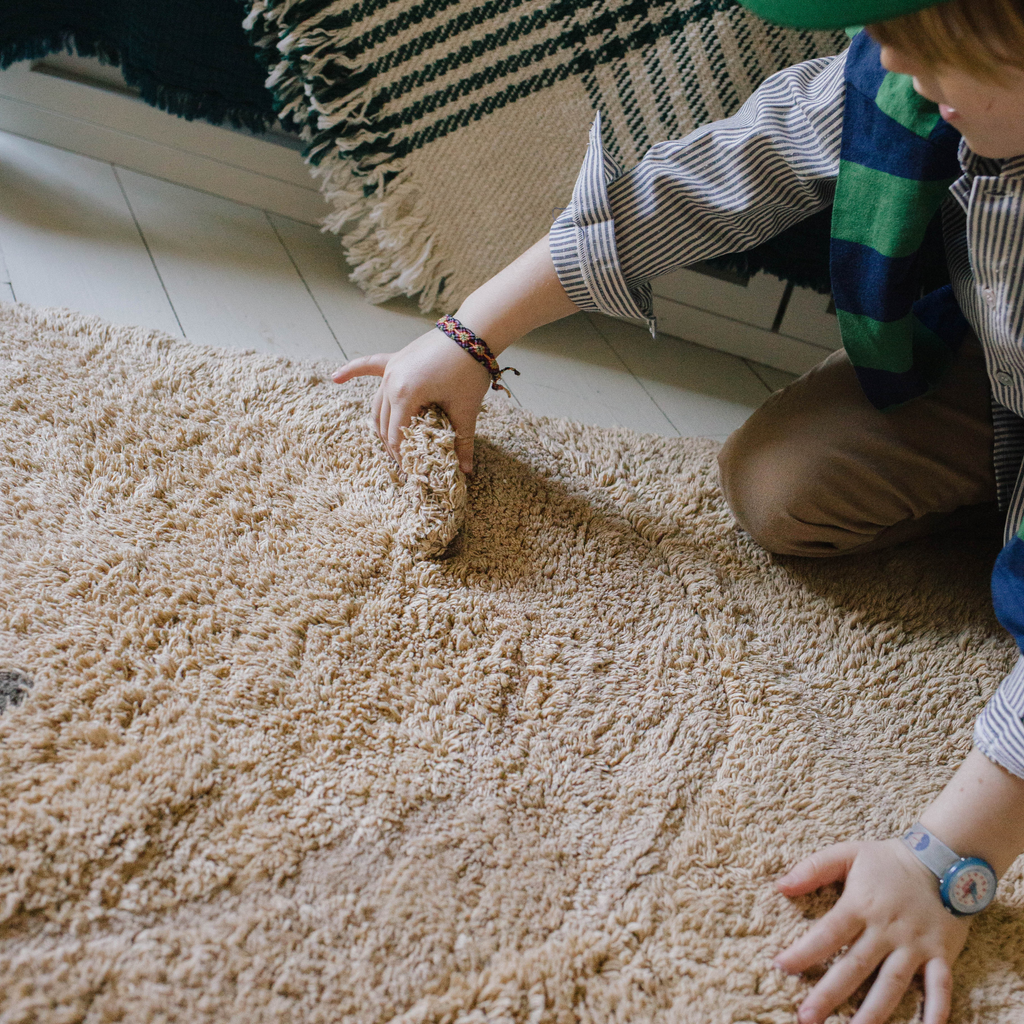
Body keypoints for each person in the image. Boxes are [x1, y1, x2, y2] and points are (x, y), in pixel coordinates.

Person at [333, 1, 1024, 1021]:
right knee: (779, 486)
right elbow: (703, 180)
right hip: (995, 379)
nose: (896, 63)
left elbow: (953, 856)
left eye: (931, 45)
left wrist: (948, 858)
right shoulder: (895, 81)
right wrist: (472, 331)